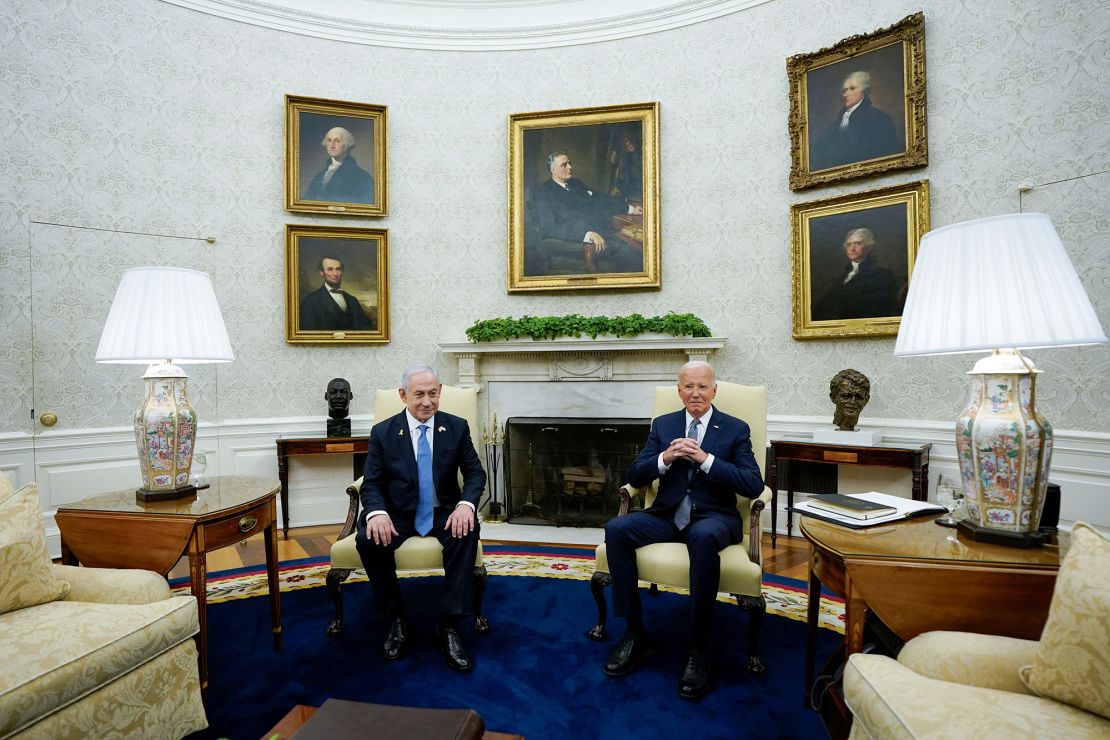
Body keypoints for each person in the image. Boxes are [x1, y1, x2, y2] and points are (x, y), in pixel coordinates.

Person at [602, 361, 764, 700]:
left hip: (714, 518)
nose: (695, 393)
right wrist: (665, 458)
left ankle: (698, 649)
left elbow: (752, 484)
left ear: (714, 390)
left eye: (702, 387)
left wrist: (706, 459)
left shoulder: (735, 429)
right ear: (679, 391)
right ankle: (635, 633)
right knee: (616, 528)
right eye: (688, 387)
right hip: (666, 515)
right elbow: (636, 475)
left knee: (703, 537)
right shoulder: (664, 425)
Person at [354, 365, 486, 672]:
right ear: (403, 395)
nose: (427, 401)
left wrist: (466, 504)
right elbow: (371, 482)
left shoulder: (456, 427)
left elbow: (475, 473)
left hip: (444, 512)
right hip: (397, 513)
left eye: (433, 393)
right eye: (419, 395)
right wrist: (377, 512)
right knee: (367, 538)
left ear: (440, 393)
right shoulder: (384, 432)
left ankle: (449, 626)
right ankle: (397, 618)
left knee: (466, 530)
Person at [528, 151, 643, 273]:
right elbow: (549, 228)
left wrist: (630, 209)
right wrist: (588, 234)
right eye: (564, 165)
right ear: (553, 170)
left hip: (604, 232)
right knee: (632, 254)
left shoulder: (576, 183)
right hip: (581, 243)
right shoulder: (544, 192)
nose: (570, 167)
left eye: (569, 163)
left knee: (639, 245)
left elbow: (601, 199)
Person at [810, 71, 901, 171]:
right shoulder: (837, 123)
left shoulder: (879, 118)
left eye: (852, 88)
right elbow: (820, 147)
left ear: (864, 91)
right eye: (844, 90)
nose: (846, 94)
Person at [811, 227, 899, 321]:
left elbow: (879, 309)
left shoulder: (882, 276)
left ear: (869, 246)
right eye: (849, 244)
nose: (852, 249)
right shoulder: (842, 277)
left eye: (858, 243)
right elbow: (824, 306)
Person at [299, 256, 375, 332]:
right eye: (330, 269)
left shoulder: (352, 300)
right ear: (322, 273)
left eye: (338, 269)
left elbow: (367, 328)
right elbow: (307, 334)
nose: (335, 274)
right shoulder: (310, 301)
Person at [303, 126, 375, 203]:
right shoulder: (319, 176)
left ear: (347, 144)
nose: (332, 145)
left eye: (337, 141)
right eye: (329, 140)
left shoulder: (361, 177)